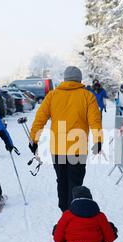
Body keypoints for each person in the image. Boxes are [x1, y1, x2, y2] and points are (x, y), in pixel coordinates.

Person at [29, 66, 103, 212]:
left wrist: (34, 140)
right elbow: (95, 121)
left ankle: (64, 211)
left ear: (65, 79)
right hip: (78, 148)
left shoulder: (52, 95)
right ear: (79, 79)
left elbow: (40, 119)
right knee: (75, 182)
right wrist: (98, 140)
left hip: (58, 148)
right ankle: (74, 211)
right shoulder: (87, 96)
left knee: (61, 180)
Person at [53, 186, 118, 242]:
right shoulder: (99, 216)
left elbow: (58, 237)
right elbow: (109, 236)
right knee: (110, 227)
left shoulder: (67, 215)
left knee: (57, 227)